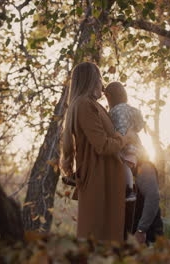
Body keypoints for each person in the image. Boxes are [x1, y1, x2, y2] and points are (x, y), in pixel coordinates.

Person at [60, 62, 136, 242]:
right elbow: (102, 145)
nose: (102, 85)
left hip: (106, 178)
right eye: (99, 79)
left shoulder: (91, 105)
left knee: (107, 239)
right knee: (98, 238)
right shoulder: (85, 105)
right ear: (91, 80)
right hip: (99, 179)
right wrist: (125, 138)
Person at [104, 82, 145, 202]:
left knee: (124, 166)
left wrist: (120, 140)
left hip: (125, 145)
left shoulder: (115, 111)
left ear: (110, 97)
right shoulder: (131, 109)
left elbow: (119, 128)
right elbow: (140, 124)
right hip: (135, 145)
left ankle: (129, 191)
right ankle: (132, 188)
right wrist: (134, 129)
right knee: (128, 166)